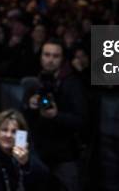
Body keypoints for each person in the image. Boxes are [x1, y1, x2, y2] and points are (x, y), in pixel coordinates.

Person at [24, 39, 87, 191]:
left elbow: (81, 120)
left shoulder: (73, 83)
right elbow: (24, 119)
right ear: (41, 57)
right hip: (39, 152)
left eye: (55, 56)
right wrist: (30, 106)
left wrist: (56, 116)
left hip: (64, 156)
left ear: (62, 59)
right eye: (46, 55)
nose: (50, 60)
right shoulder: (35, 82)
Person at [0, 109, 48, 191]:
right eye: (4, 130)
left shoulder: (24, 147)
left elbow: (44, 177)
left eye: (14, 132)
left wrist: (26, 163)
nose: (8, 135)